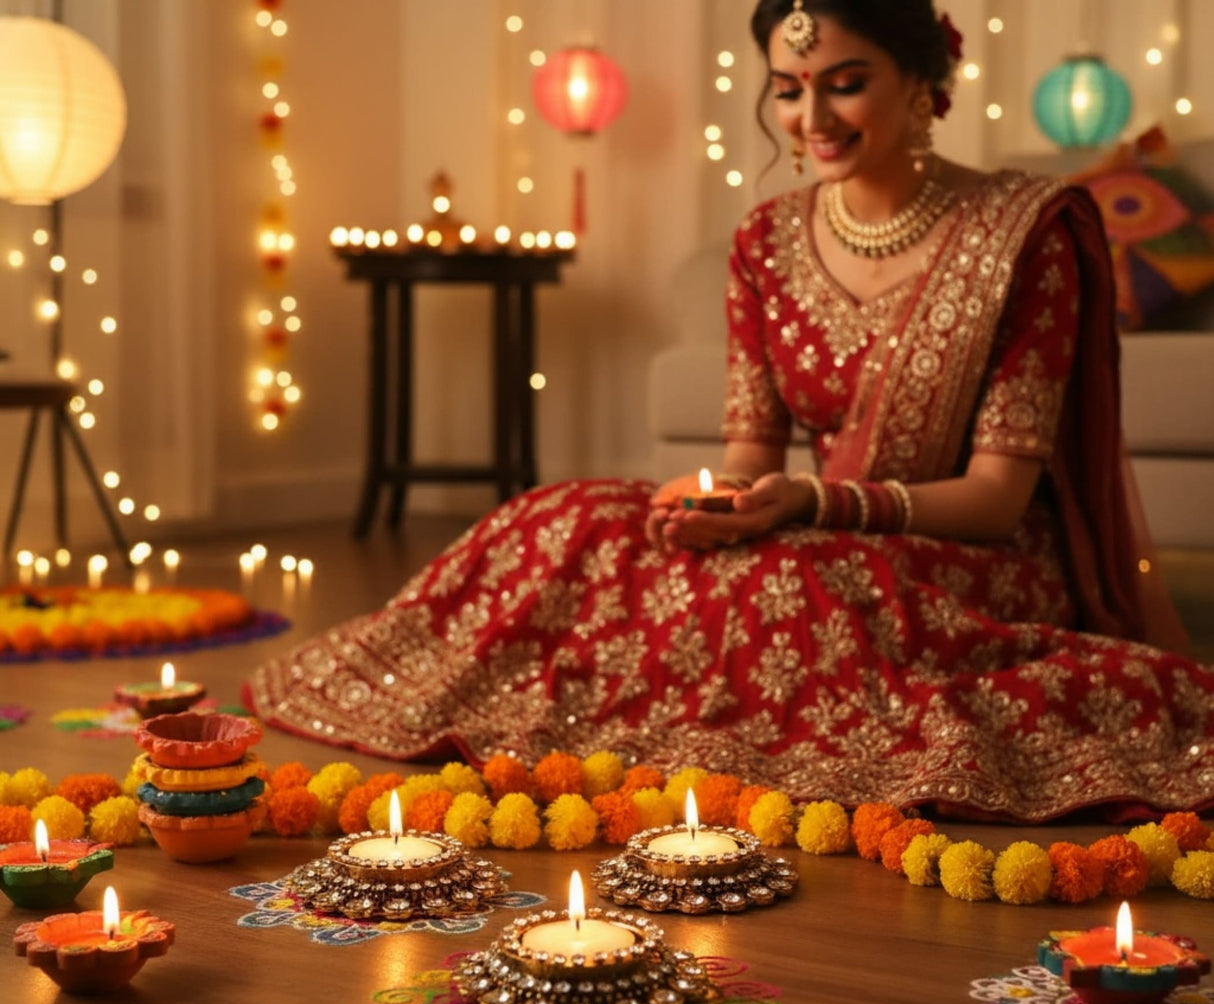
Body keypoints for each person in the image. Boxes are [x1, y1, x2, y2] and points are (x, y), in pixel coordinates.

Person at [247, 0, 1214, 824]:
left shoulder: (1024, 234)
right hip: (808, 524)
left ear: (924, 80)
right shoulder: (764, 240)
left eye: (844, 81)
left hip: (967, 554)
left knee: (788, 591)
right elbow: (751, 453)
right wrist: (717, 503)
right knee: (566, 521)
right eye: (787, 89)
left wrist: (807, 504)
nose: (808, 117)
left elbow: (1001, 498)